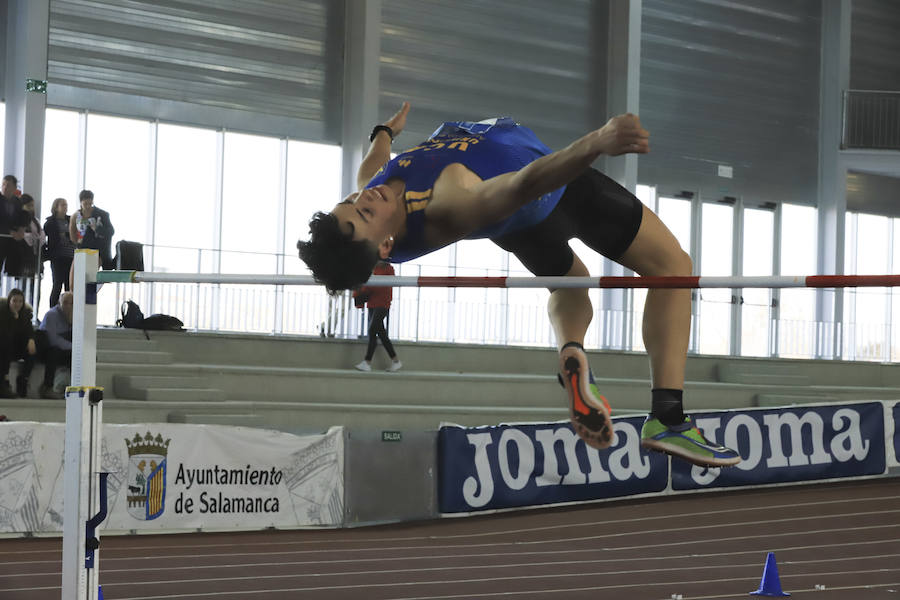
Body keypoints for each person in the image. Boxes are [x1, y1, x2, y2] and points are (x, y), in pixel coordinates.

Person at [298, 102, 741, 468]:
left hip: (520, 226)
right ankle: (667, 417)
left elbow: (370, 168)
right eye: (364, 213)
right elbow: (525, 184)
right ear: (388, 243)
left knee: (570, 283)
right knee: (673, 268)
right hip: (558, 188)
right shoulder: (451, 198)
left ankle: (572, 348)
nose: (364, 199)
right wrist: (597, 142)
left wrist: (384, 132)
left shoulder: (371, 200)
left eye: (351, 203)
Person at [353, 260, 402, 372]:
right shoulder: (373, 269)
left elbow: (379, 286)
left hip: (383, 304)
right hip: (372, 304)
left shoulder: (389, 270)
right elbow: (368, 285)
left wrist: (366, 286)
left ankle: (367, 362)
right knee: (381, 333)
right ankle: (395, 361)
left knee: (372, 330)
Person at [0, 288, 37, 398]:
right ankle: (4, 381)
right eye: (14, 301)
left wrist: (31, 339)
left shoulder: (25, 314)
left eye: (20, 301)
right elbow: (5, 333)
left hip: (17, 347)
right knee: (6, 344)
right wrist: (13, 319)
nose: (17, 304)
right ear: (9, 301)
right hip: (4, 346)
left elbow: (29, 331)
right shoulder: (2, 312)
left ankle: (23, 379)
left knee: (33, 351)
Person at [37, 291, 72, 399]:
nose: (68, 306)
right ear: (59, 302)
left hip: (62, 349)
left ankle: (74, 388)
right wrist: (75, 347)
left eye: (71, 303)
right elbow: (53, 340)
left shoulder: (74, 316)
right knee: (54, 351)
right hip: (45, 350)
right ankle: (47, 387)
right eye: (65, 302)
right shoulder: (51, 315)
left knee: (82, 356)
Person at [69, 189, 114, 270]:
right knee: (75, 280)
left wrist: (96, 229)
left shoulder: (102, 214)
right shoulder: (76, 216)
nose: (87, 206)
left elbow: (111, 231)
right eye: (85, 204)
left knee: (90, 278)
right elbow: (72, 234)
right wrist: (78, 242)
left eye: (90, 203)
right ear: (80, 202)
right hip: (81, 250)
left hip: (97, 251)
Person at [43, 198, 76, 307]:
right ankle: (53, 310)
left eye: (66, 205)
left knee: (69, 285)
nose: (65, 207)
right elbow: (49, 237)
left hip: (70, 256)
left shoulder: (71, 220)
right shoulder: (50, 222)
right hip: (57, 257)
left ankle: (68, 311)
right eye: (62, 205)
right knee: (57, 284)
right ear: (56, 207)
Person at [6, 194, 46, 280]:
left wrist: (37, 238)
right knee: (24, 281)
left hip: (35, 256)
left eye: (32, 205)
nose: (31, 208)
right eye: (29, 206)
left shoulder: (35, 220)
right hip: (23, 255)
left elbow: (41, 234)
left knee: (35, 283)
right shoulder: (18, 220)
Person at [0, 175, 26, 276]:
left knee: (11, 270)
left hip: (11, 243)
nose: (5, 187)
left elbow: (23, 217)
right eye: (3, 185)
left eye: (8, 185)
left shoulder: (17, 202)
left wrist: (21, 229)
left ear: (15, 188)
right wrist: (9, 231)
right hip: (2, 236)